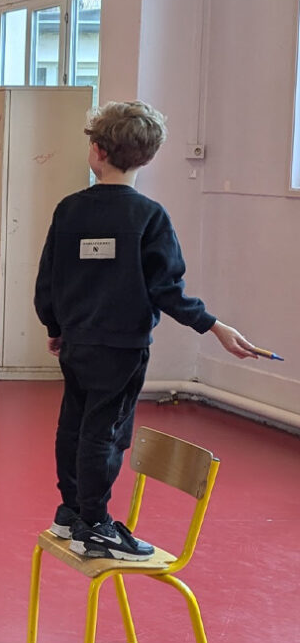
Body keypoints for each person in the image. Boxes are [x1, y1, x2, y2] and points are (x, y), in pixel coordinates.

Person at [34, 100, 260, 560]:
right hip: (121, 348)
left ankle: (72, 510)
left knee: (74, 426)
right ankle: (94, 524)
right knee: (108, 432)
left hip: (77, 342)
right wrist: (214, 326)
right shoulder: (149, 217)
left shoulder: (69, 210)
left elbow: (48, 279)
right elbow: (166, 289)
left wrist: (55, 325)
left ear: (95, 151)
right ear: (149, 158)